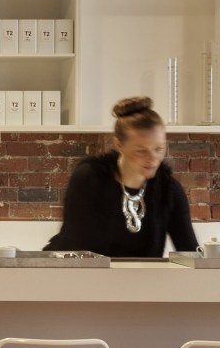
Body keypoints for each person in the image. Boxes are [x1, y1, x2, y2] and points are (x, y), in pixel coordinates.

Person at [45, 97, 200, 257]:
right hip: (76, 273)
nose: (153, 159)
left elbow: (190, 253)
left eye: (159, 149)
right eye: (141, 151)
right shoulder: (90, 178)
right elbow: (75, 243)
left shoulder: (168, 189)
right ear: (119, 144)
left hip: (138, 280)